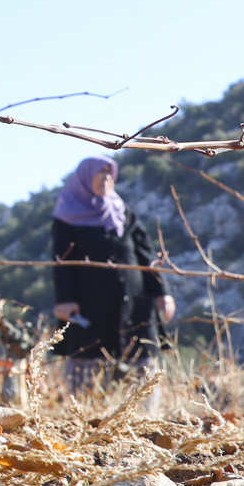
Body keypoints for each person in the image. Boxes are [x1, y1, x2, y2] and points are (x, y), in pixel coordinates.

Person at [49, 155, 173, 389]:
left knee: (141, 360)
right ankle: (86, 415)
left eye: (110, 173)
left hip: (135, 302)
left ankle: (142, 417)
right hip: (89, 306)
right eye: (100, 173)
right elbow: (61, 262)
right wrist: (65, 300)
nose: (106, 178)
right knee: (88, 360)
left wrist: (161, 292)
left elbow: (146, 254)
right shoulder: (67, 216)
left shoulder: (124, 212)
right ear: (86, 177)